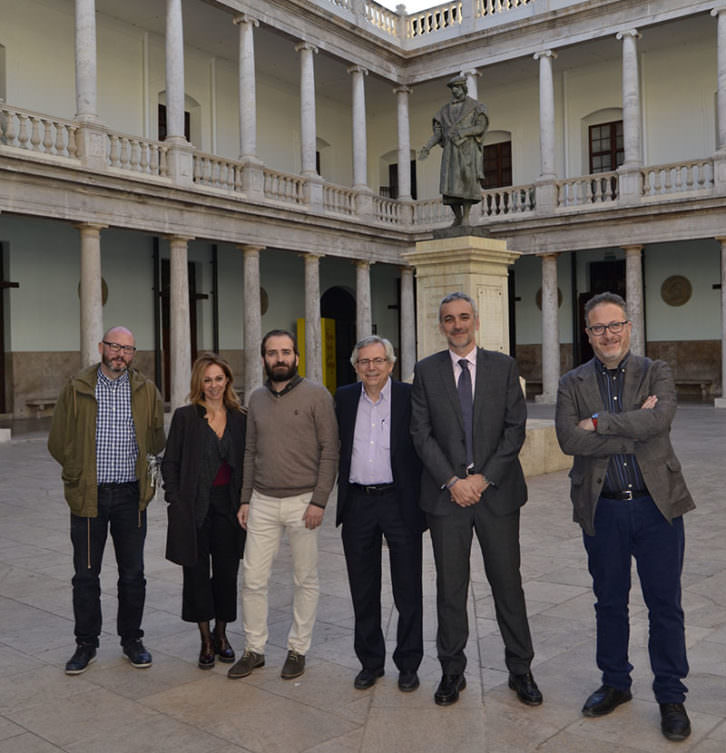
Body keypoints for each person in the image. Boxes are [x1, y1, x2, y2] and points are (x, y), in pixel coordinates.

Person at [555, 291, 695, 742]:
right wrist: (632, 425)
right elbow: (568, 442)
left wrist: (596, 423)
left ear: (629, 327)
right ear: (588, 334)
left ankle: (671, 696)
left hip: (657, 507)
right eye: (598, 327)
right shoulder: (572, 382)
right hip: (605, 510)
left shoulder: (657, 372)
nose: (607, 334)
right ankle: (616, 683)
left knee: (665, 606)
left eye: (615, 325)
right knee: (609, 603)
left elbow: (660, 423)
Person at [410, 292, 541, 707]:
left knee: (507, 584)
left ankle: (521, 670)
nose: (457, 325)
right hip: (447, 498)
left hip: (496, 495)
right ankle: (452, 671)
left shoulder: (502, 367)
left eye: (464, 317)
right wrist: (453, 481)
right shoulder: (426, 371)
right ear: (441, 324)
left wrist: (483, 479)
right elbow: (420, 434)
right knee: (450, 587)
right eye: (449, 319)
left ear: (476, 321)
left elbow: (514, 429)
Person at [48, 326, 165, 675]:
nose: (120, 354)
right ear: (102, 347)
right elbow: (57, 440)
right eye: (115, 346)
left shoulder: (145, 390)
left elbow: (156, 437)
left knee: (133, 574)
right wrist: (77, 471)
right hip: (89, 496)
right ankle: (86, 644)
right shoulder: (77, 388)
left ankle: (132, 640)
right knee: (85, 575)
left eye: (128, 349)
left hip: (131, 495)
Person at [227, 329, 339, 681]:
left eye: (286, 352)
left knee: (304, 578)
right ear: (263, 358)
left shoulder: (317, 396)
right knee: (253, 580)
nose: (280, 358)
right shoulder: (256, 398)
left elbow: (330, 450)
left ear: (297, 357)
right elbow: (249, 451)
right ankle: (254, 648)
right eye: (273, 353)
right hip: (262, 500)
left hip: (303, 501)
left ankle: (297, 649)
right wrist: (245, 498)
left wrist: (319, 500)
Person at [335, 336, 425, 692]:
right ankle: (370, 663)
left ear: (391, 363)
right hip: (357, 502)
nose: (371, 368)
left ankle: (408, 663)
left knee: (408, 588)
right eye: (364, 362)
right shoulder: (342, 398)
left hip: (399, 502)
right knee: (363, 588)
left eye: (378, 361)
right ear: (355, 366)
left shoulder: (409, 396)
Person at [162, 353, 246, 670]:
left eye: (218, 378)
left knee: (226, 573)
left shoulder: (240, 417)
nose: (213, 385)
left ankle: (222, 634)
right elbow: (170, 462)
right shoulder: (186, 418)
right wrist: (176, 500)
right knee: (196, 574)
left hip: (228, 506)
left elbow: (247, 462)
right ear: (199, 383)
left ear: (227, 381)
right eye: (207, 380)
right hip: (194, 507)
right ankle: (205, 640)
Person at [418, 75, 489, 227]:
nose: (455, 91)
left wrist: (464, 132)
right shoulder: (443, 111)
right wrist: (427, 147)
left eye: (457, 87)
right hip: (450, 152)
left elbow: (481, 127)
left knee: (467, 183)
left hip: (467, 150)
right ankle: (457, 216)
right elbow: (438, 134)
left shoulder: (476, 106)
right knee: (449, 186)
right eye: (452, 88)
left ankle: (466, 217)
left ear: (463, 88)